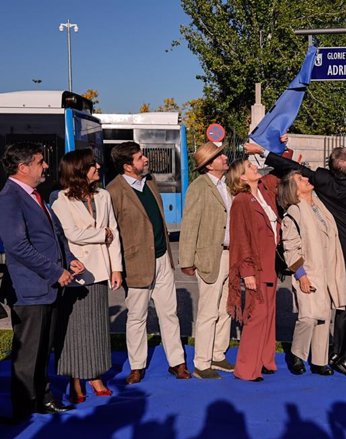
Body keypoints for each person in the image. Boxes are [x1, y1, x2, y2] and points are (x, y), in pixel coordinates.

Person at [258, 145, 346, 381]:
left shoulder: (323, 182)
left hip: (339, 257)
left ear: (330, 165)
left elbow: (294, 168)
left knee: (342, 305)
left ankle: (335, 353)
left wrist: (264, 152)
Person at [0, 142, 85, 422]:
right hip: (30, 290)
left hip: (47, 288)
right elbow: (17, 246)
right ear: (23, 168)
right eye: (40, 161)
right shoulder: (10, 197)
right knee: (28, 354)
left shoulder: (37, 195)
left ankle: (42, 398)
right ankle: (24, 408)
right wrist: (54, 271)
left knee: (42, 349)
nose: (46, 165)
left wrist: (69, 259)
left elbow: (54, 235)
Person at [107, 142, 190, 384]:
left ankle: (177, 363)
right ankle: (137, 366)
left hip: (163, 258)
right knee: (137, 317)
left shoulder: (150, 182)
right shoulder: (113, 192)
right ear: (127, 166)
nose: (145, 159)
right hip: (136, 264)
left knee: (169, 313)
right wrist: (117, 268)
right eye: (140, 157)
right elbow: (113, 233)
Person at [51, 149, 122, 403]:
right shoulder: (60, 201)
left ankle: (95, 375)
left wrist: (117, 268)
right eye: (93, 165)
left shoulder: (103, 196)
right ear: (79, 170)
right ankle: (75, 379)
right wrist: (102, 234)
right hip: (76, 274)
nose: (99, 168)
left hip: (101, 271)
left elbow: (113, 230)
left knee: (98, 328)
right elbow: (72, 234)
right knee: (74, 329)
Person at [278, 170, 346, 376]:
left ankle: (320, 361)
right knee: (308, 317)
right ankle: (297, 354)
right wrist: (301, 275)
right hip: (308, 271)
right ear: (294, 190)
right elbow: (290, 247)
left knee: (324, 317)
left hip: (327, 270)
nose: (306, 180)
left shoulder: (319, 206)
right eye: (300, 180)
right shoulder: (294, 212)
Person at [179, 142, 235, 379]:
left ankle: (217, 354)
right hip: (209, 256)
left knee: (226, 310)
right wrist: (186, 260)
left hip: (230, 254)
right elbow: (190, 225)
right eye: (219, 156)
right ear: (209, 164)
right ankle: (202, 362)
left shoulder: (227, 185)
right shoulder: (198, 187)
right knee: (208, 311)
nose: (224, 158)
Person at [226, 158, 280, 382]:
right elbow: (240, 238)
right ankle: (246, 369)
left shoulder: (265, 192)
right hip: (256, 265)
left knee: (269, 313)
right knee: (257, 315)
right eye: (249, 167)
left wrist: (275, 145)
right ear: (241, 177)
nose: (255, 167)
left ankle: (266, 360)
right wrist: (246, 271)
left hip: (271, 263)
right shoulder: (241, 201)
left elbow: (281, 169)